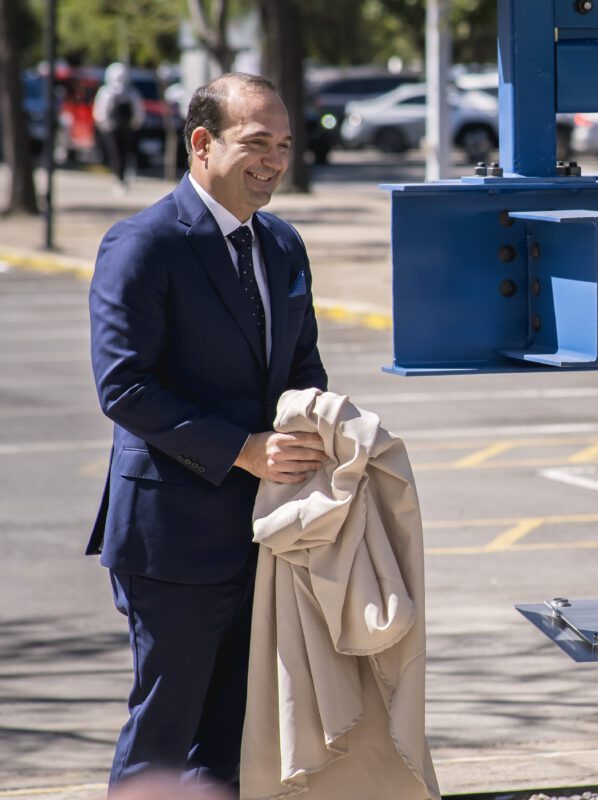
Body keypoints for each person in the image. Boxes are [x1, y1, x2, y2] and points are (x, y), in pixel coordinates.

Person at [88, 72, 329, 791]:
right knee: (164, 731)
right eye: (257, 143)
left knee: (233, 735)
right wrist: (244, 449)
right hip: (173, 537)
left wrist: (319, 424)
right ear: (202, 143)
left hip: (265, 531)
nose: (274, 161)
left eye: (284, 145)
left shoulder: (283, 244)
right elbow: (124, 386)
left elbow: (302, 362)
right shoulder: (143, 244)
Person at [92, 63, 145, 194]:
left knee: (118, 155)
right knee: (121, 154)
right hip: (122, 129)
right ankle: (121, 178)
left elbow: (100, 112)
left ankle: (120, 179)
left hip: (116, 129)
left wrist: (105, 125)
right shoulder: (128, 92)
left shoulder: (108, 92)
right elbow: (139, 113)